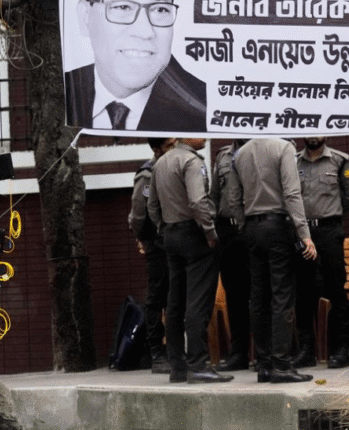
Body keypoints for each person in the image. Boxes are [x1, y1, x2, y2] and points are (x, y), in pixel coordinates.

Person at [228, 137, 318, 383]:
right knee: (282, 296)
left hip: (252, 228)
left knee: (258, 297)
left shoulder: (239, 154)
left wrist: (244, 225)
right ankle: (281, 364)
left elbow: (233, 198)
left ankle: (264, 364)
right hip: (277, 227)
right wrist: (304, 234)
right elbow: (292, 193)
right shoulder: (284, 147)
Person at [147, 138, 233, 384]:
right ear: (184, 136)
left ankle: (178, 366)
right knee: (198, 302)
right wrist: (210, 232)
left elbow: (152, 205)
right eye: (199, 132)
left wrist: (164, 228)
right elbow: (197, 201)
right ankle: (198, 365)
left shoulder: (160, 163)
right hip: (195, 234)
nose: (204, 137)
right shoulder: (191, 161)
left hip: (171, 234)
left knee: (175, 302)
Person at [65, 0, 208, 131]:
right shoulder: (65, 89)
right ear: (85, 16)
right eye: (123, 7)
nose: (145, 32)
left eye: (160, 9)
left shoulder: (205, 105)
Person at [292, 136, 349, 369]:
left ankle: (342, 349)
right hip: (303, 233)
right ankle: (306, 350)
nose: (313, 135)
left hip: (329, 231)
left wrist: (331, 218)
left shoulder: (339, 161)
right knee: (303, 292)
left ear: (325, 134)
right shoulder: (293, 161)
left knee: (336, 289)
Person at [128, 137, 174, 374]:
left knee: (174, 296)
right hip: (156, 243)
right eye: (169, 145)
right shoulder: (147, 174)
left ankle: (176, 350)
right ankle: (157, 352)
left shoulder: (175, 165)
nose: (174, 148)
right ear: (157, 150)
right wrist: (144, 240)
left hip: (174, 240)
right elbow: (138, 214)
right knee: (156, 297)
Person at [210, 139, 251, 372]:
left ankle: (265, 353)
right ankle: (239, 353)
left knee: (260, 293)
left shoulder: (259, 150)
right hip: (228, 231)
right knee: (234, 295)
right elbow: (214, 195)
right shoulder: (222, 156)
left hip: (252, 228)